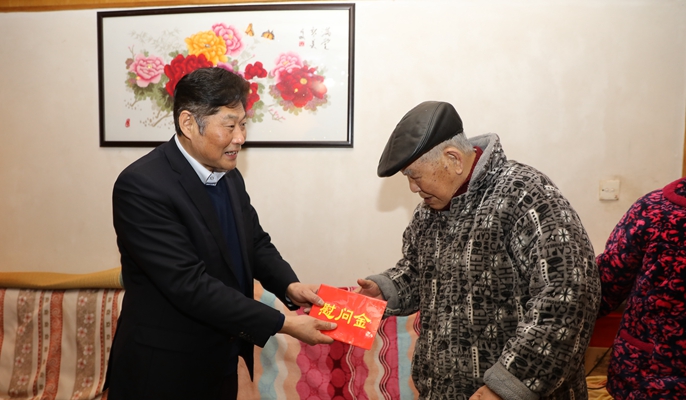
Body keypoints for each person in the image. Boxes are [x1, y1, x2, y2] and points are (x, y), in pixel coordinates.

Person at [105, 67, 336, 400]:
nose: (240, 137)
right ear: (188, 123)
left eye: (243, 124)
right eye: (229, 126)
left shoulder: (228, 175)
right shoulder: (142, 186)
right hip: (163, 368)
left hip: (220, 361)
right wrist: (283, 323)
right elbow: (189, 285)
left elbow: (254, 242)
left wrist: (289, 285)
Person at [357, 101, 601, 400]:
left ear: (453, 159)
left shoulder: (525, 194)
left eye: (414, 176)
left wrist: (508, 385)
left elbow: (569, 295)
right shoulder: (428, 212)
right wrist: (386, 289)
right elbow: (420, 273)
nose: (412, 188)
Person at [595, 177, 686, 399]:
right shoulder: (654, 207)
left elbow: (607, 283)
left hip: (648, 375)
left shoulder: (653, 208)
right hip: (648, 373)